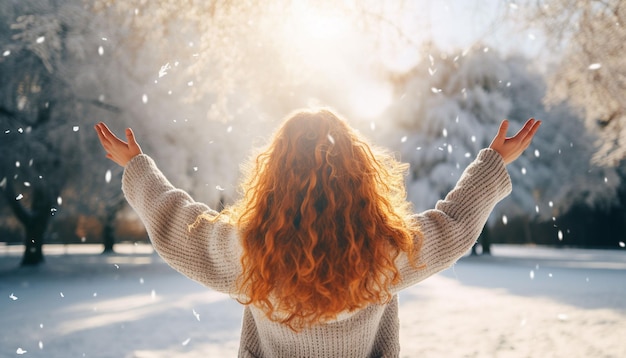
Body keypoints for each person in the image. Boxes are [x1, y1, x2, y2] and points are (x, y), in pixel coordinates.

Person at [94, 108, 540, 358]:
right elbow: (453, 225)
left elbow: (178, 225)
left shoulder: (248, 252)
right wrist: (493, 162)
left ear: (274, 176)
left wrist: (137, 168)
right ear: (358, 175)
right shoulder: (385, 254)